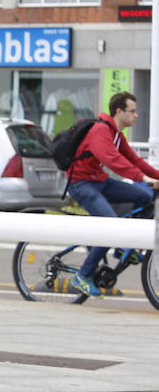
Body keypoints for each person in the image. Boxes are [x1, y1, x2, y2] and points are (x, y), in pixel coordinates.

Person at [67, 91, 159, 297]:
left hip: (99, 181)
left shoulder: (117, 134)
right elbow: (111, 160)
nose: (136, 115)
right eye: (132, 111)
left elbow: (136, 161)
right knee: (110, 224)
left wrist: (155, 176)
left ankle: (121, 247)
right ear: (119, 111)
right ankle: (83, 275)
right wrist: (142, 178)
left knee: (145, 197)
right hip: (81, 184)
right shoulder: (100, 130)